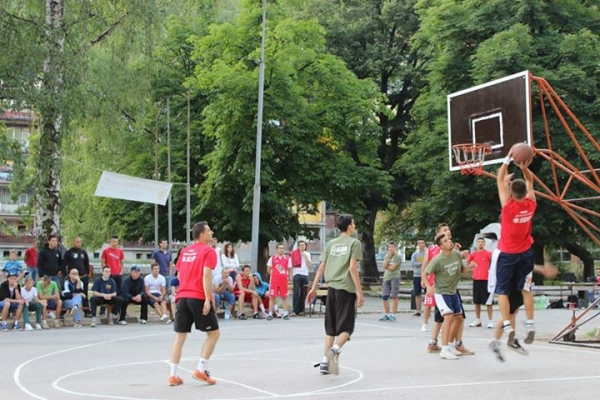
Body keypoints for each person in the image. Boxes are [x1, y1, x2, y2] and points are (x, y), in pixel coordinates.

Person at [307, 214, 364, 375]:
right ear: (349, 226)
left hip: (331, 288)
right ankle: (333, 351)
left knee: (331, 328)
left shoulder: (331, 243)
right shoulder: (354, 243)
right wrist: (359, 292)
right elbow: (353, 268)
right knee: (347, 328)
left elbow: (321, 267)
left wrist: (314, 287)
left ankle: (325, 363)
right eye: (354, 222)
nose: (355, 225)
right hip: (346, 288)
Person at [493, 148, 536, 352]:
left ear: (511, 193)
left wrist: (508, 157)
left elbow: (500, 179)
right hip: (526, 253)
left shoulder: (508, 207)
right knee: (526, 288)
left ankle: (508, 325)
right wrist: (524, 167)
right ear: (525, 193)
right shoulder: (531, 204)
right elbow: (530, 183)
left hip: (508, 253)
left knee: (501, 289)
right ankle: (530, 322)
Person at [168, 221, 220, 387]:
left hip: (183, 297)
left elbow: (180, 273)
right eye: (209, 230)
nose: (211, 233)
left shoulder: (185, 251)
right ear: (202, 234)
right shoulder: (208, 251)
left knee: (180, 336)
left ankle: (173, 376)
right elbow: (206, 275)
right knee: (213, 334)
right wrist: (206, 297)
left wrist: (182, 291)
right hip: (197, 296)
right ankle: (201, 369)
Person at [424, 232, 474, 360]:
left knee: (459, 318)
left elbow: (462, 271)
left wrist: (469, 268)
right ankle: (444, 349)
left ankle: (451, 345)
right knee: (448, 317)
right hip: (441, 292)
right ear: (441, 246)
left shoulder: (456, 254)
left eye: (449, 239)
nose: (449, 242)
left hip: (453, 291)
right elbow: (425, 273)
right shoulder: (437, 260)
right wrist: (429, 287)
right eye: (445, 241)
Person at [467, 237, 493, 328]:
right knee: (476, 301)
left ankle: (490, 320)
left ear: (484, 244)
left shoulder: (488, 254)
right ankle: (477, 320)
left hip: (486, 280)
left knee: (488, 302)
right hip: (476, 279)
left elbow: (494, 262)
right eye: (479, 242)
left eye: (482, 242)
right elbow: (467, 263)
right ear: (476, 244)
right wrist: (471, 267)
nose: (480, 243)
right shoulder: (473, 254)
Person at [63, 237, 91, 313]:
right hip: (73, 278)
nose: (79, 243)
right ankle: (67, 309)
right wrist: (66, 275)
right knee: (71, 293)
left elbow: (86, 264)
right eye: (77, 242)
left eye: (80, 242)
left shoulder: (83, 252)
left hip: (83, 276)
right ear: (74, 242)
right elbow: (64, 264)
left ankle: (86, 310)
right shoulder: (69, 252)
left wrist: (87, 273)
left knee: (85, 294)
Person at [266, 243, 292, 320]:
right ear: (277, 249)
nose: (281, 249)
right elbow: (268, 268)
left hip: (283, 280)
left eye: (282, 248)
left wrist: (290, 276)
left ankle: (285, 313)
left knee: (284, 297)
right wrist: (273, 275)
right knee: (272, 297)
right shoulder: (273, 258)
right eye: (280, 248)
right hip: (274, 280)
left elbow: (290, 268)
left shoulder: (287, 259)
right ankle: (270, 313)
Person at [380, 241, 402, 321]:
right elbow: (383, 266)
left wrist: (387, 266)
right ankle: (387, 313)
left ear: (395, 247)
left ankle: (393, 314)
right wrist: (388, 259)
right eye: (389, 247)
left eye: (392, 246)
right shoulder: (387, 256)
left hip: (394, 277)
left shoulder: (398, 257)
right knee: (385, 296)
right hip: (386, 277)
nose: (391, 248)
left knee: (394, 296)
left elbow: (393, 268)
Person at [290, 240, 311, 317]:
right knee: (296, 292)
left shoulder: (307, 254)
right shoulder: (294, 254)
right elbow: (291, 265)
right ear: (298, 246)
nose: (302, 246)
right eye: (301, 245)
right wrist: (291, 275)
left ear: (305, 246)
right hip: (296, 274)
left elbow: (309, 264)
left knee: (303, 293)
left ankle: (301, 310)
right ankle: (295, 310)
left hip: (305, 274)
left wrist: (305, 256)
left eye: (303, 245)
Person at [411, 239, 426, 318]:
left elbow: (429, 262)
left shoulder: (427, 253)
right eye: (419, 243)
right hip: (417, 275)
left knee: (427, 293)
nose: (421, 244)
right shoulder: (415, 254)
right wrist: (421, 263)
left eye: (422, 243)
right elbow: (413, 263)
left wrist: (424, 264)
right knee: (417, 293)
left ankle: (427, 310)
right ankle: (418, 310)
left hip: (425, 276)